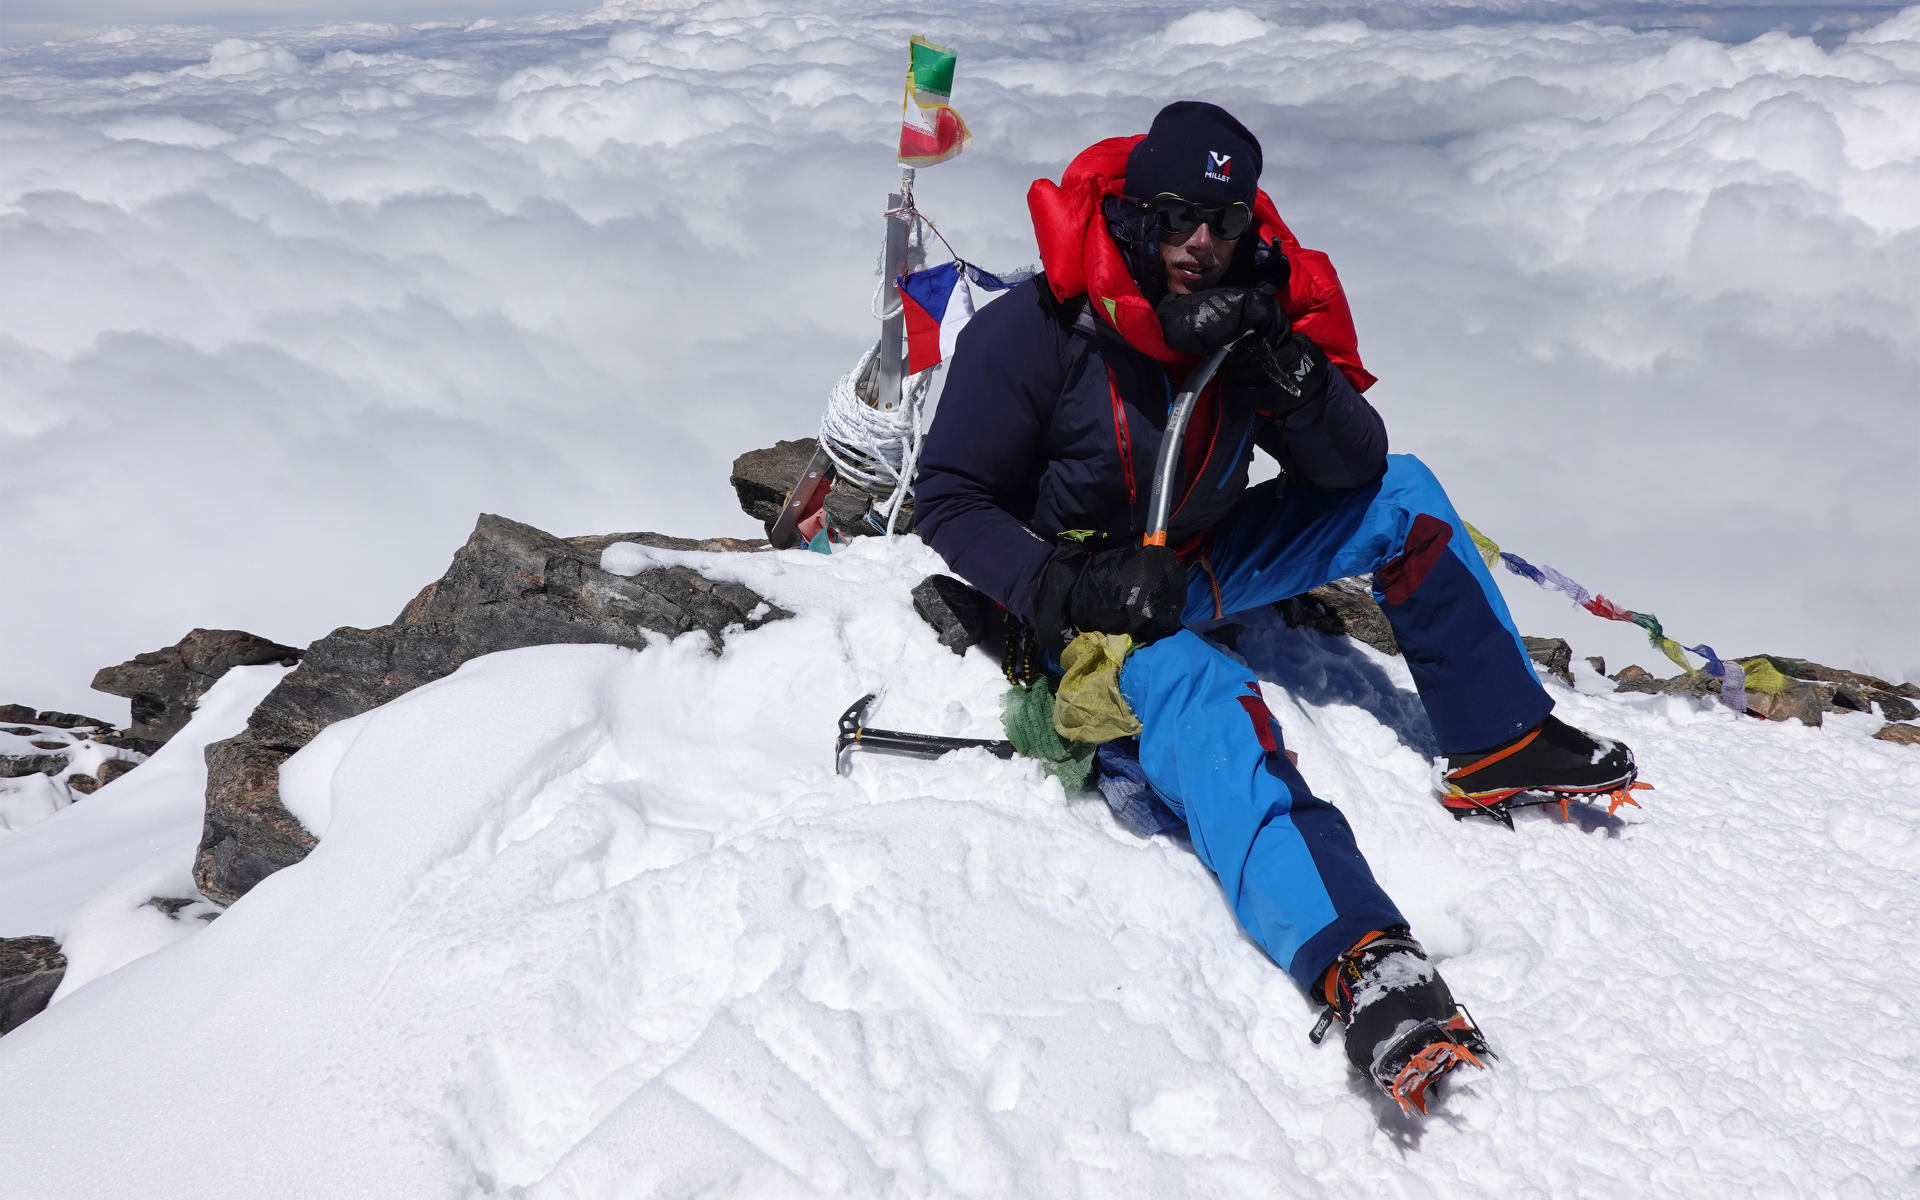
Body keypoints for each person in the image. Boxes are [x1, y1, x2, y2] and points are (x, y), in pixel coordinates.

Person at [912, 101, 1642, 1112]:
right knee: (1207, 693)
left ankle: (1501, 742)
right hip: (1081, 606)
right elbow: (948, 498)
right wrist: (1064, 586)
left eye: (1222, 219)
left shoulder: (1256, 315)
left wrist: (1292, 378)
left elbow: (1356, 470)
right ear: (1133, 214)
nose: (1199, 242)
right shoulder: (1039, 331)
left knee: (1406, 496)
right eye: (1176, 215)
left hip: (1194, 560)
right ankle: (1360, 960)